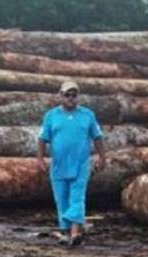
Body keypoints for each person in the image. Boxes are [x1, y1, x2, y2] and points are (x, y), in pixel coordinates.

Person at [37, 80, 107, 246]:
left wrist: (102, 157)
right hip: (59, 164)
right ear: (61, 96)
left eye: (74, 95)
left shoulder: (87, 115)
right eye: (67, 95)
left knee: (77, 197)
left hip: (81, 164)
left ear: (78, 97)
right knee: (61, 198)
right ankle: (66, 231)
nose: (70, 98)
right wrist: (40, 158)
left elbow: (97, 137)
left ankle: (75, 233)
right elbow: (42, 139)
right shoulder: (51, 116)